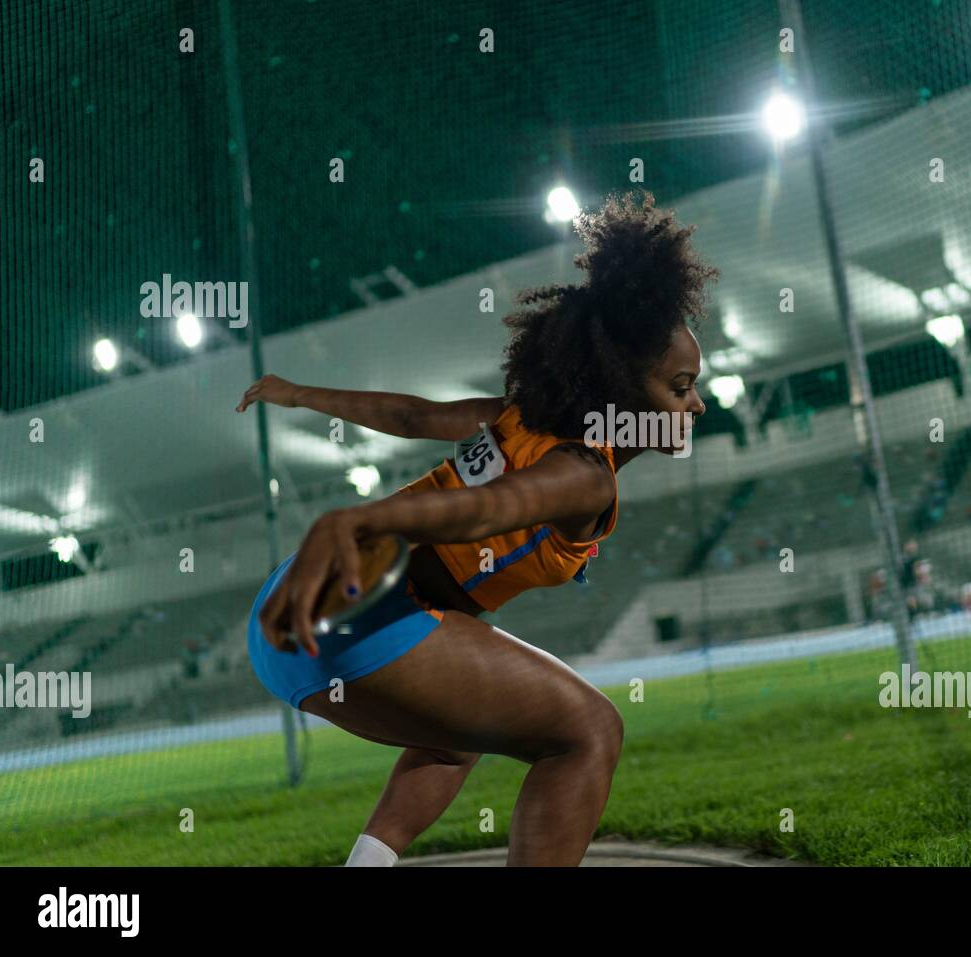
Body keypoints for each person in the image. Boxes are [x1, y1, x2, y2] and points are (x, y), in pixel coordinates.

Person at [235, 190, 718, 867]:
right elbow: (488, 509)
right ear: (622, 391)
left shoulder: (518, 417)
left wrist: (302, 394)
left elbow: (411, 417)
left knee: (463, 727)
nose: (697, 401)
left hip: (295, 607)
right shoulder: (584, 472)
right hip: (357, 614)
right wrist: (363, 516)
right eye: (681, 385)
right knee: (588, 730)